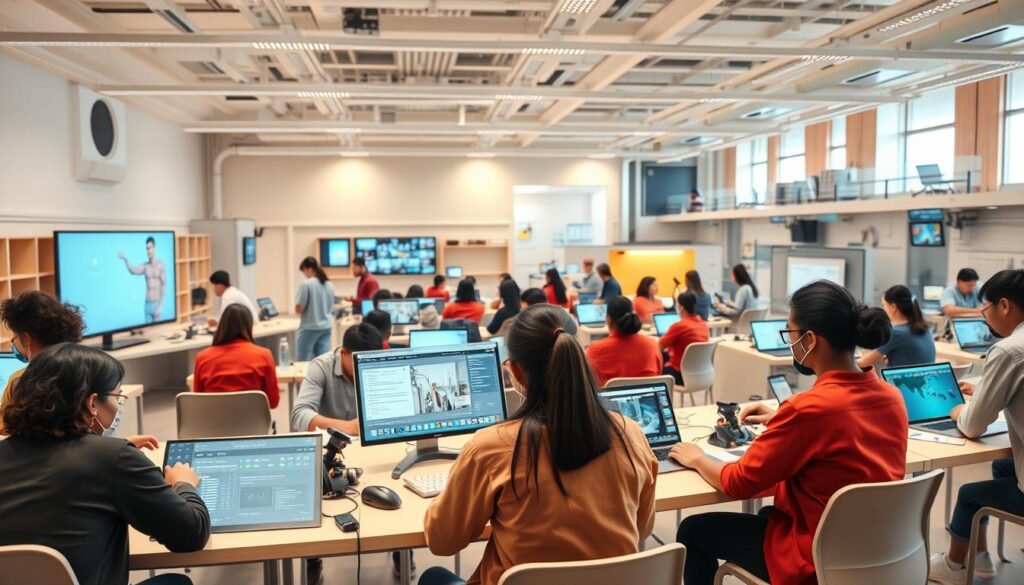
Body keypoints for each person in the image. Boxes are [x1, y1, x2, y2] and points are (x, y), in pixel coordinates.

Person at [671, 281, 906, 585]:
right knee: (767, 515)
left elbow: (739, 483)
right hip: (876, 547)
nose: (789, 342)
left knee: (693, 530)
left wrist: (698, 458)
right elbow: (840, 432)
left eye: (790, 333)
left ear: (809, 340)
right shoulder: (892, 396)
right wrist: (782, 419)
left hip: (815, 558)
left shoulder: (807, 409)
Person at [420, 305, 658, 585]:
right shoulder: (630, 434)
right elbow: (643, 528)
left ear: (516, 372)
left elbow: (442, 542)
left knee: (434, 577)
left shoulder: (490, 448)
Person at [0, 344, 210, 585]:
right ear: (92, 404)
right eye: (117, 396)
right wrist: (183, 484)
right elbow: (191, 535)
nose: (119, 406)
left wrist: (106, 450)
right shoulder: (112, 458)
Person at [927, 269, 1024, 585]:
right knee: (1002, 466)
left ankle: (953, 567)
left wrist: (958, 410)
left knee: (969, 494)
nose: (986, 316)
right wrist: (983, 384)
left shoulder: (1008, 349)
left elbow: (972, 425)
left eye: (987, 309)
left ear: (1005, 306)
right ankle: (982, 557)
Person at [290, 323, 383, 436]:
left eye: (373, 361)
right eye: (361, 362)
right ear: (343, 353)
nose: (368, 369)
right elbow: (299, 414)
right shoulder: (321, 366)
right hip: (331, 444)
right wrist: (348, 427)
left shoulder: (381, 366)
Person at [0, 290, 85, 404]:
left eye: (15, 336)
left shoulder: (19, 383)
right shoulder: (91, 367)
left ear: (26, 339)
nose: (13, 342)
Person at [193, 304, 280, 408]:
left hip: (214, 423)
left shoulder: (202, 357)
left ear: (222, 325)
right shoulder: (264, 355)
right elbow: (273, 402)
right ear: (249, 326)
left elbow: (198, 401)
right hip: (252, 423)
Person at [585, 297, 663, 386]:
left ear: (609, 319)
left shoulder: (595, 349)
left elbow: (588, 382)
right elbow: (658, 375)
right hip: (648, 397)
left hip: (608, 399)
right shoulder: (652, 345)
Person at [858, 285, 935, 370]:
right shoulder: (924, 328)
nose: (884, 309)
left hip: (901, 381)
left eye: (884, 305)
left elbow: (863, 363)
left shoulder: (897, 333)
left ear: (893, 307)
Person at [660, 292, 710, 382]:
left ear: (681, 307)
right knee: (666, 354)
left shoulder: (679, 326)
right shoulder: (703, 324)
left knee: (657, 360)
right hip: (701, 373)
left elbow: (659, 346)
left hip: (680, 374)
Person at [117, 235, 167, 324]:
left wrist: (160, 306)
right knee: (147, 331)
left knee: (157, 331)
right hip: (147, 305)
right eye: (147, 249)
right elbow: (133, 271)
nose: (148, 251)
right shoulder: (145, 266)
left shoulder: (160, 265)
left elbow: (164, 285)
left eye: (150, 248)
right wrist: (125, 259)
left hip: (156, 304)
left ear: (154, 248)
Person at [294, 257, 336, 361]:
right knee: (322, 362)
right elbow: (331, 306)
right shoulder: (329, 284)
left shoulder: (306, 284)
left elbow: (299, 309)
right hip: (326, 327)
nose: (304, 274)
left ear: (309, 268)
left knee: (301, 362)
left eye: (304, 271)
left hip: (309, 328)